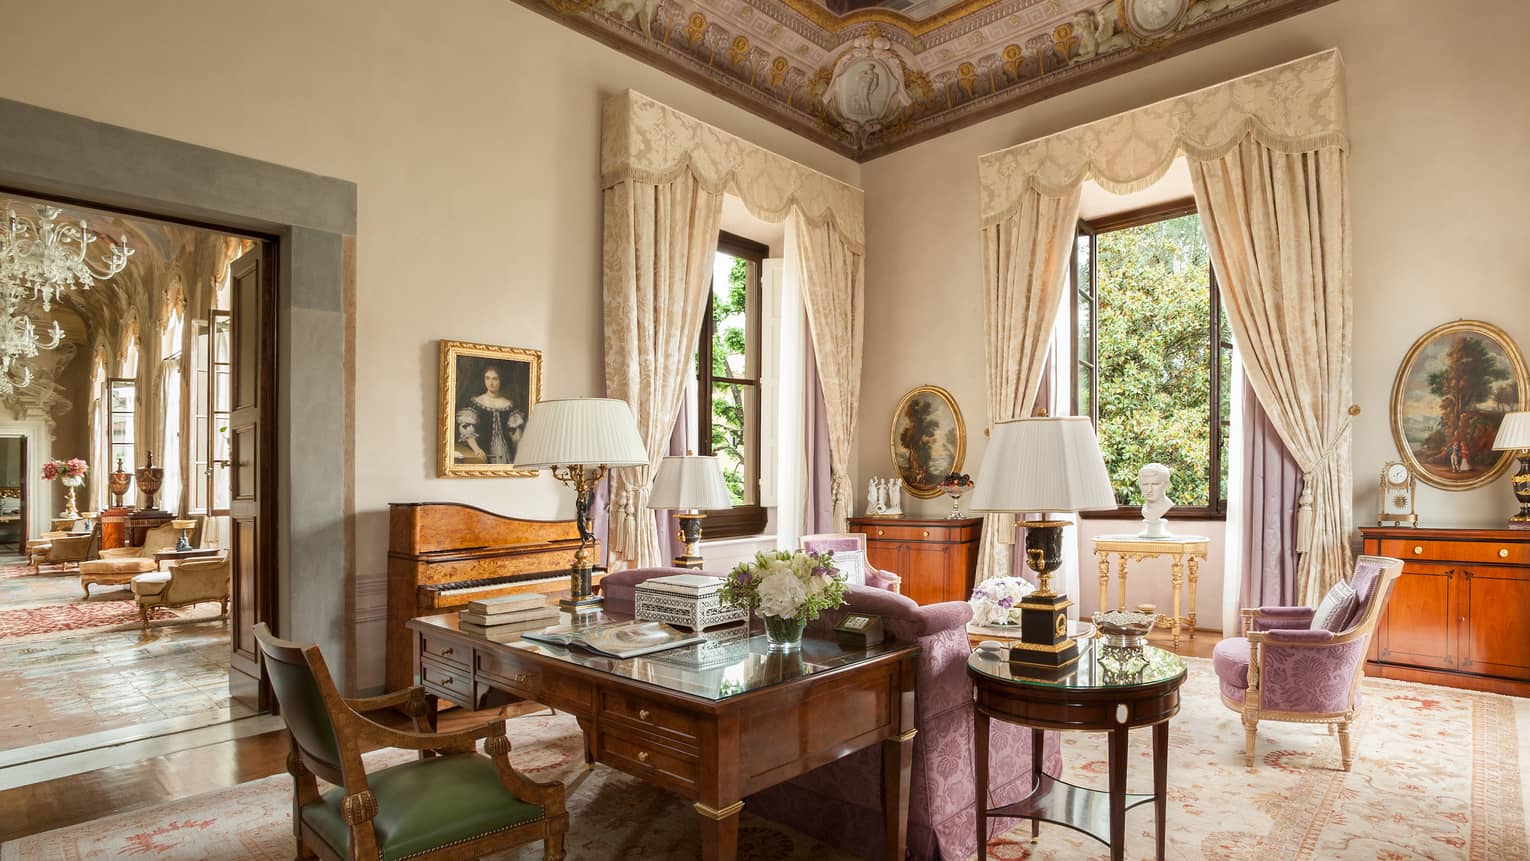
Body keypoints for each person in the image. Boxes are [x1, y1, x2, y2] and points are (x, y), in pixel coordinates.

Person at [464, 365, 526, 464]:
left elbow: (516, 436)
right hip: (482, 454)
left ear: (501, 381)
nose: (490, 383)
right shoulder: (476, 403)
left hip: (506, 455)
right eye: (487, 378)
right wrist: (477, 449)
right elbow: (467, 431)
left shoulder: (509, 404)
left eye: (494, 379)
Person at [1137, 462, 1175, 538]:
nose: (1149, 489)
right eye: (1145, 484)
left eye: (1155, 484)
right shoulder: (1144, 510)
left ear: (1166, 484)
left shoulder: (1167, 505)